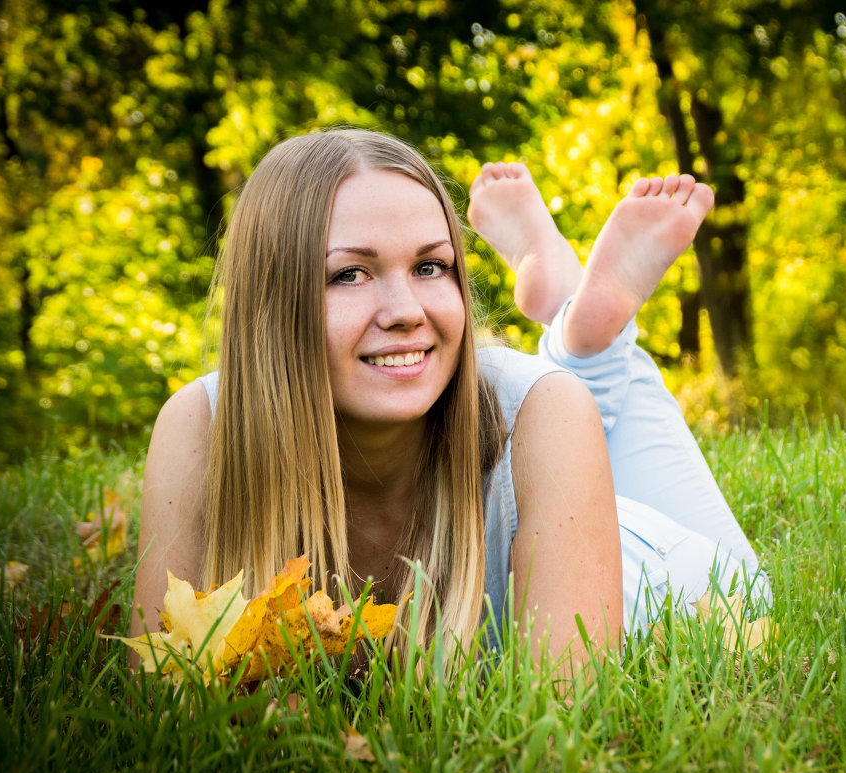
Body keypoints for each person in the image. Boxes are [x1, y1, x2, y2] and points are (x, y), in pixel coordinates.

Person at [130, 128, 767, 669]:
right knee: (555, 400)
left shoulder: (542, 408)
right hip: (545, 468)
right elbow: (162, 698)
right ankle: (573, 320)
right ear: (272, 304)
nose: (407, 312)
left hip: (670, 578)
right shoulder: (202, 424)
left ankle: (587, 341)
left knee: (561, 399)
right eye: (349, 274)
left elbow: (564, 722)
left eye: (431, 266)